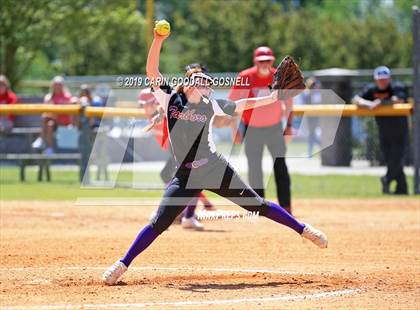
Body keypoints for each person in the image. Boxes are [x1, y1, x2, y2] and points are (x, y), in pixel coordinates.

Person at [102, 29, 327, 286]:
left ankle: (303, 229)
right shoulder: (170, 99)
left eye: (208, 83)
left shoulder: (211, 104)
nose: (207, 85)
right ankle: (122, 264)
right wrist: (158, 40)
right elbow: (152, 71)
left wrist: (273, 97)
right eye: (202, 81)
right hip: (185, 176)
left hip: (214, 168)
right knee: (158, 223)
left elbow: (244, 105)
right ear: (189, 84)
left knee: (257, 204)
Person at [139, 87, 215, 231]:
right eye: (142, 104)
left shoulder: (170, 109)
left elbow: (173, 107)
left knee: (188, 179)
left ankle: (180, 215)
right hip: (176, 152)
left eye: (147, 103)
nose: (144, 107)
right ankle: (183, 214)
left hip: (186, 150)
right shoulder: (155, 114)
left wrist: (162, 112)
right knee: (181, 179)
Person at [228, 46, 293, 214]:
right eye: (261, 61)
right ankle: (258, 207)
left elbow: (289, 103)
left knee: (280, 167)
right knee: (254, 168)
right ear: (255, 62)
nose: (265, 63)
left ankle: (286, 206)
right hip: (252, 129)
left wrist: (289, 127)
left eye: (268, 60)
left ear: (272, 61)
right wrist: (234, 129)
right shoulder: (245, 77)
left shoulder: (279, 76)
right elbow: (232, 105)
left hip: (275, 128)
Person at [353, 66, 409, 195]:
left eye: (385, 79)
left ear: (389, 79)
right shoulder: (371, 89)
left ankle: (386, 179)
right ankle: (402, 189)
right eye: (380, 80)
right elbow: (356, 99)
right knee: (391, 159)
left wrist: (381, 102)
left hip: (400, 131)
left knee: (397, 158)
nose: (382, 82)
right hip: (384, 131)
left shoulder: (397, 87)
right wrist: (368, 104)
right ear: (375, 80)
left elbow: (399, 99)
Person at [32, 76, 74, 154]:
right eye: (55, 84)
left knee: (47, 120)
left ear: (63, 86)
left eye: (59, 84)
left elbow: (67, 112)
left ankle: (41, 139)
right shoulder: (48, 97)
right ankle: (48, 147)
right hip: (53, 122)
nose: (57, 86)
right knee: (49, 123)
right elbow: (46, 111)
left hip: (64, 122)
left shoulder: (67, 97)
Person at [302, 78, 322, 157]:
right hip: (310, 117)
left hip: (317, 117)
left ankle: (312, 151)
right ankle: (310, 152)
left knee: (313, 135)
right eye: (314, 85)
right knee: (311, 135)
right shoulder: (308, 94)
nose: (316, 87)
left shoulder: (317, 94)